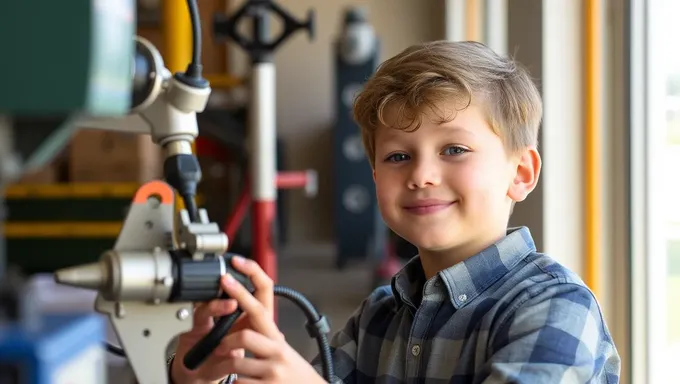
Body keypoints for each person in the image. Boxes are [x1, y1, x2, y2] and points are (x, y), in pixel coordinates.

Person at [168, 40, 621, 384]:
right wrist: (203, 369)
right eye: (398, 157)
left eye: (455, 149)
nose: (422, 175)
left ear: (520, 172)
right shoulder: (378, 316)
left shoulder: (558, 308)